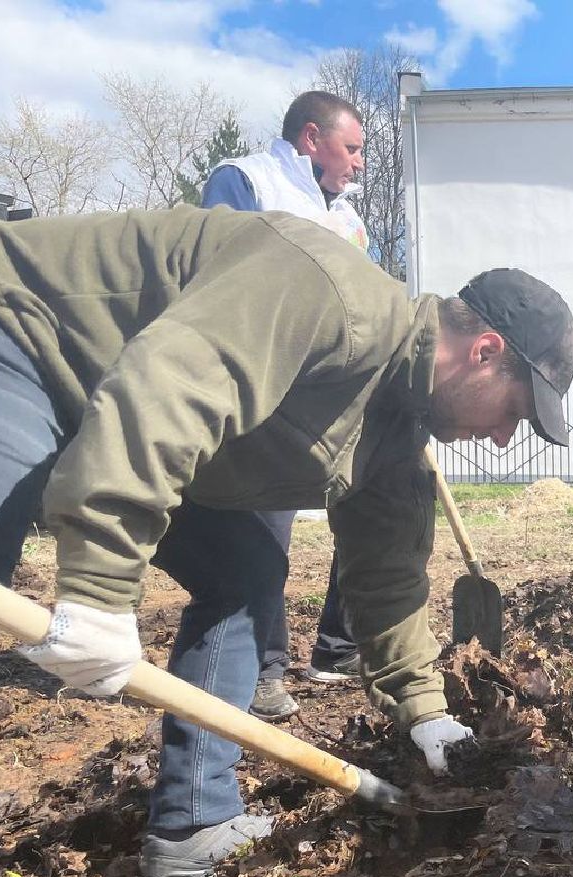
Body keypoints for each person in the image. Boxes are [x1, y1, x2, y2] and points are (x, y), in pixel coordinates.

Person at [0, 205, 573, 877]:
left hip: (114, 408)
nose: (502, 440)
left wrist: (426, 711)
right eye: (515, 412)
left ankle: (193, 828)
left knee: (246, 574)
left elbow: (389, 578)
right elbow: (166, 389)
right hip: (17, 337)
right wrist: (100, 587)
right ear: (485, 352)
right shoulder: (325, 292)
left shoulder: (398, 439)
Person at [201, 90, 369, 721]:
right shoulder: (247, 180)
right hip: (267, 387)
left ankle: (338, 646)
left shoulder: (350, 218)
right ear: (310, 138)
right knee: (264, 533)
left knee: (366, 501)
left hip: (333, 391)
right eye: (350, 149)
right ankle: (263, 670)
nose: (357, 164)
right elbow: (216, 275)